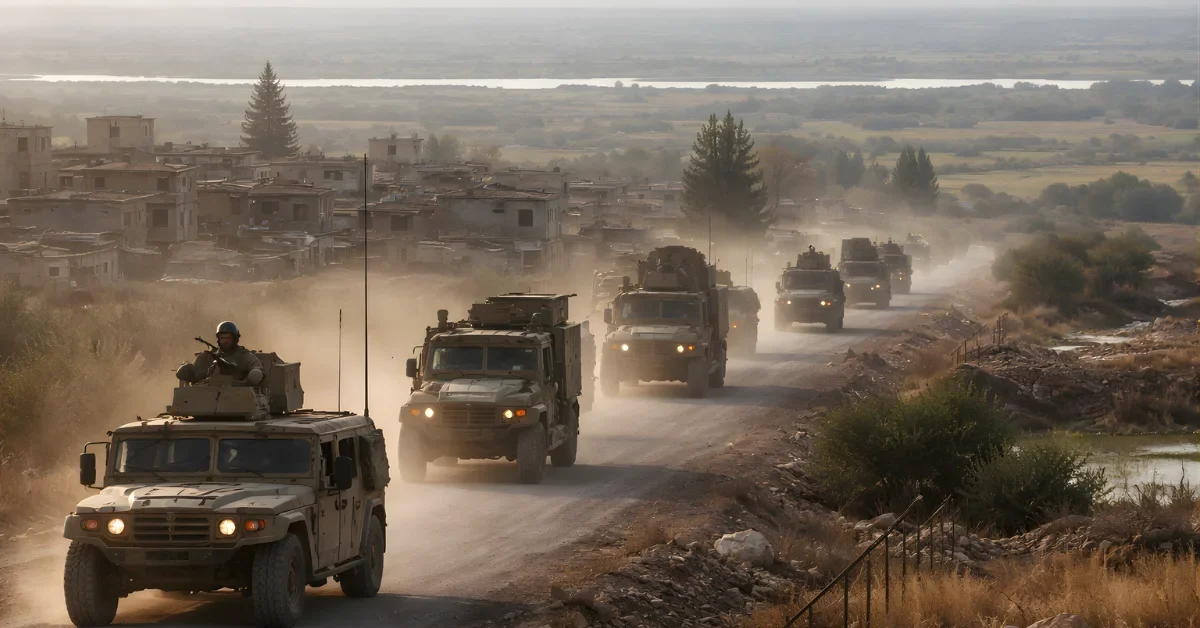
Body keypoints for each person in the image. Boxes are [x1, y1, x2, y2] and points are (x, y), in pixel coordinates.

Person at [177, 321, 265, 386]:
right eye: (222, 338)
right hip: (204, 395)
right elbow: (194, 373)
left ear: (235, 339)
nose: (225, 341)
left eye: (228, 338)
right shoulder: (208, 356)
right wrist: (186, 370)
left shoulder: (244, 356)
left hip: (238, 395)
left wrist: (248, 380)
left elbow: (257, 369)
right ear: (218, 339)